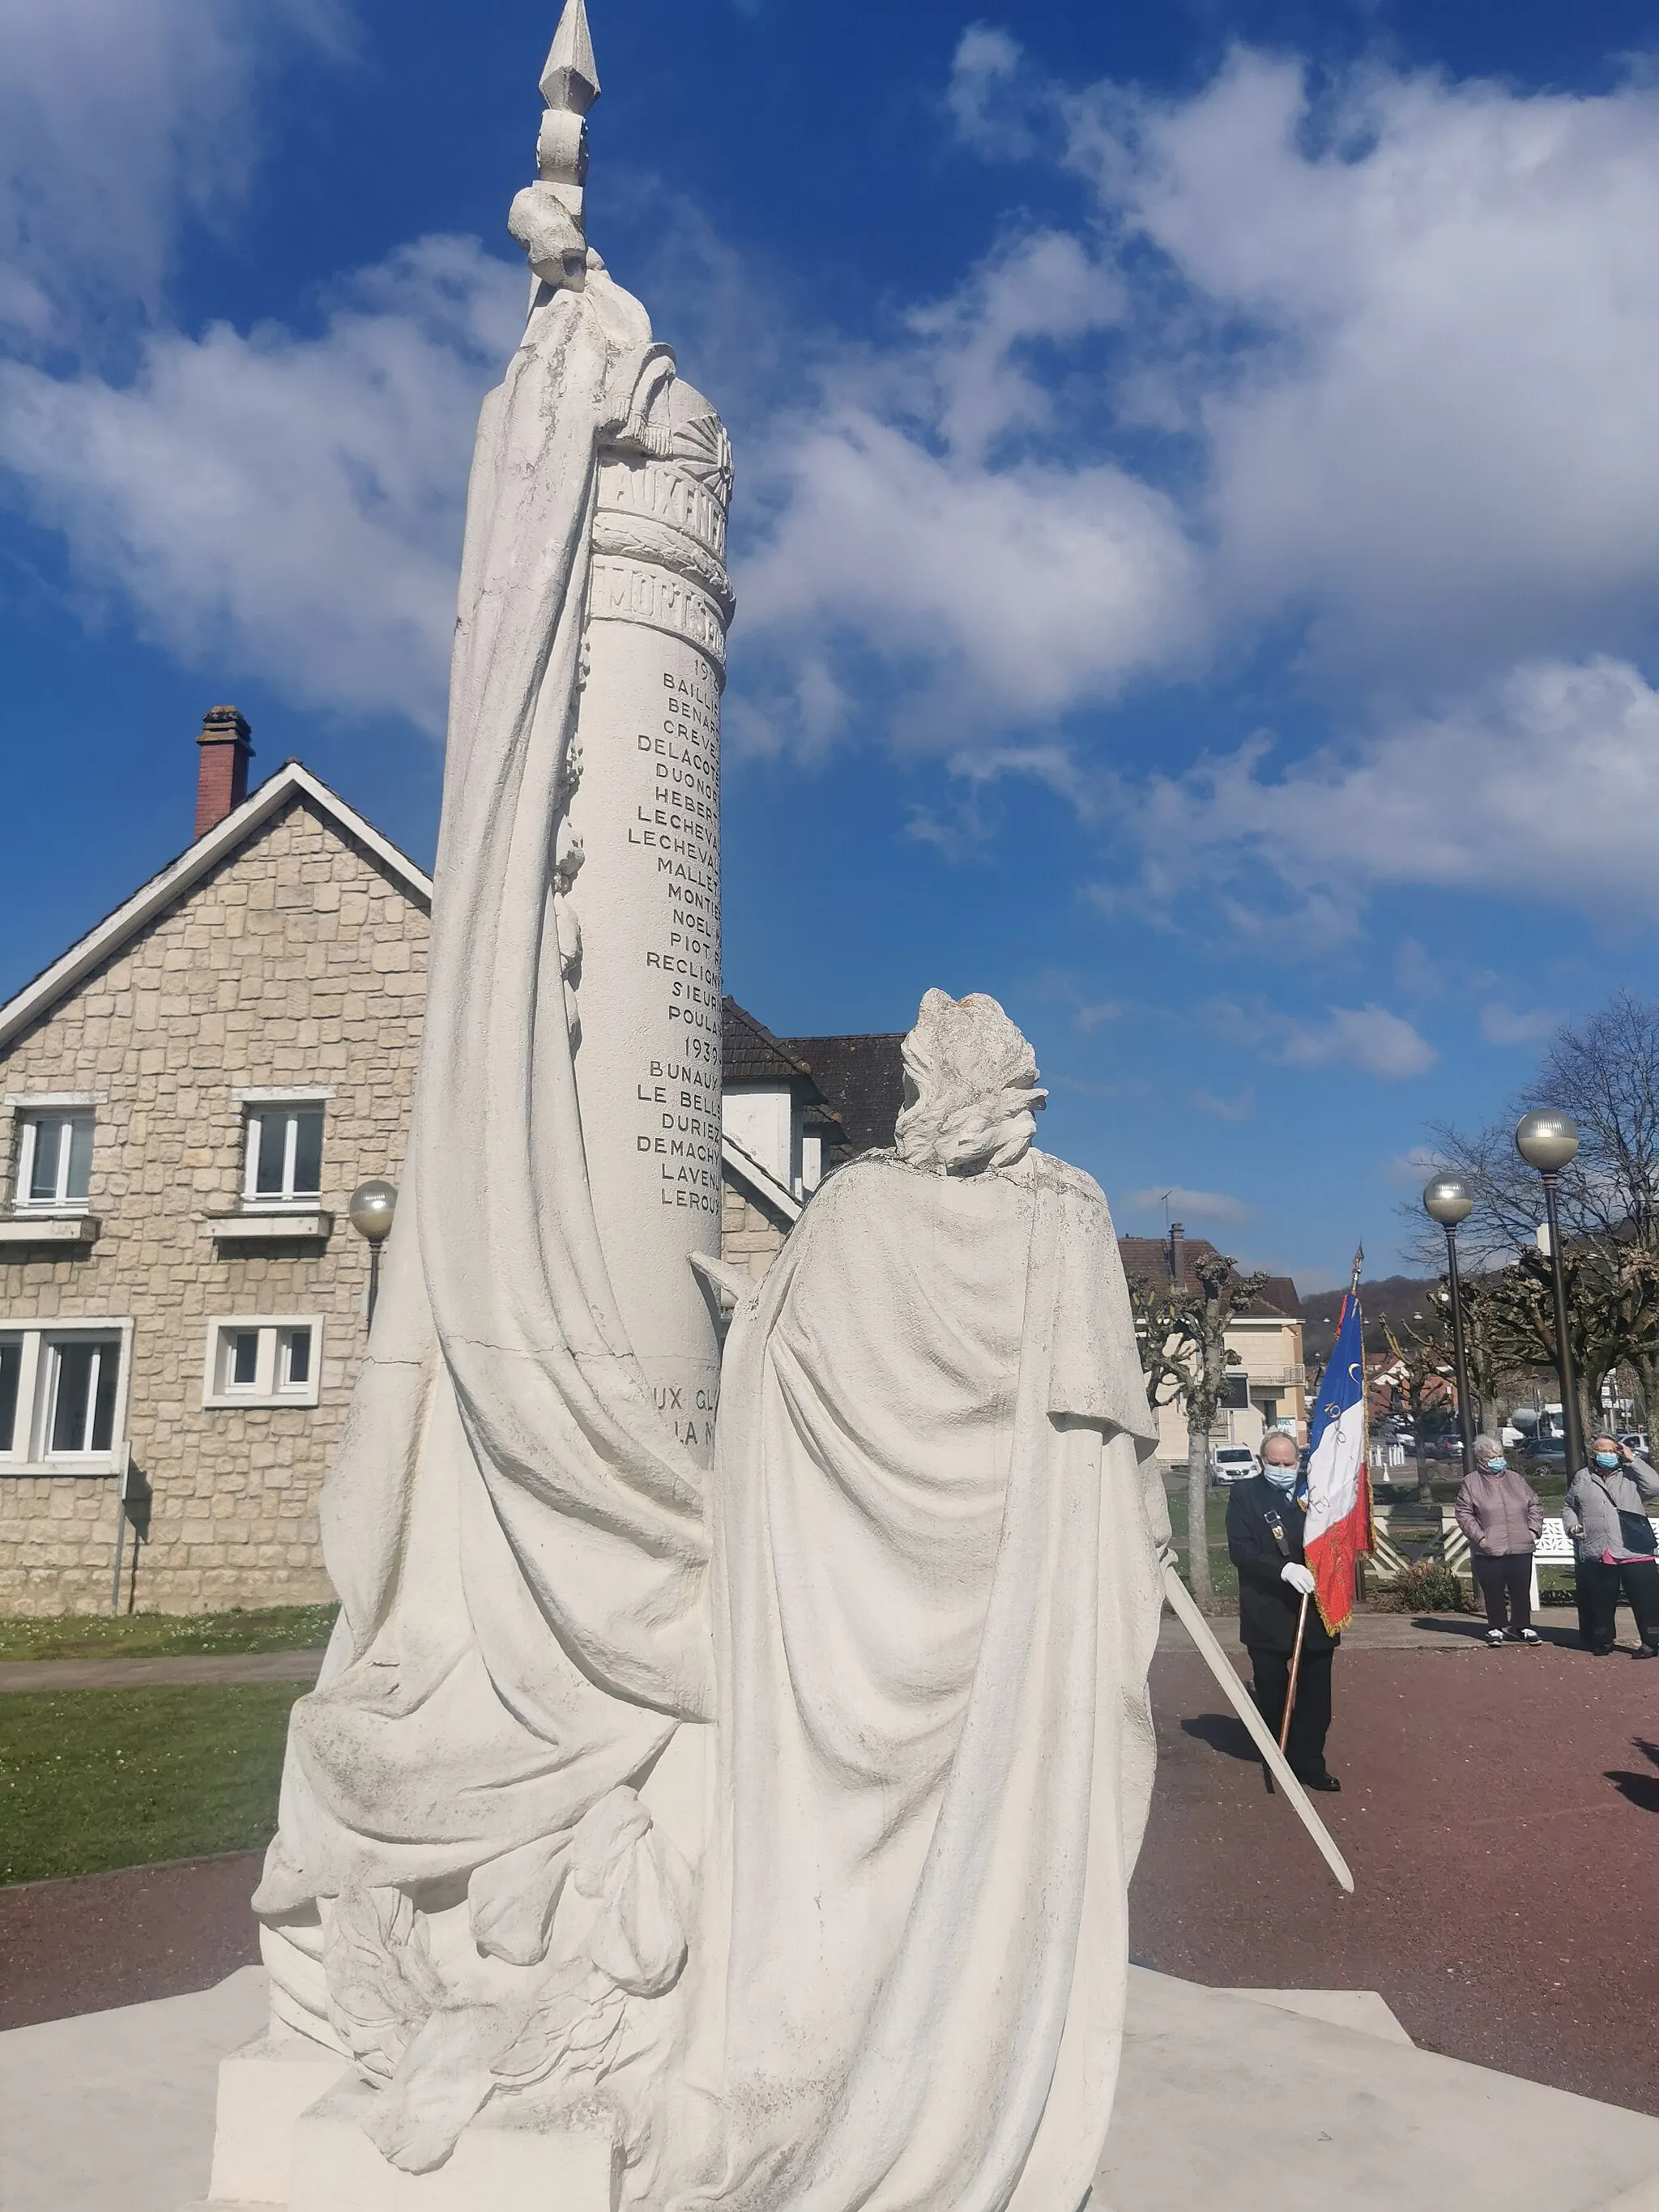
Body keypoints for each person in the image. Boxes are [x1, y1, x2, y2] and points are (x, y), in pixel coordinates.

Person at [1227, 1430, 1339, 1791]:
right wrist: (1283, 1569)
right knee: (1273, 1691)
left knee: (1316, 1696)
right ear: (1262, 1462)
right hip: (1268, 1611)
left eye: (1288, 1463)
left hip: (1316, 1610)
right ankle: (1280, 1753)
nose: (1281, 1469)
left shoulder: (1318, 1492)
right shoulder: (1244, 1495)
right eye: (1273, 1463)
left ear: (1298, 1461)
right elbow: (1241, 1551)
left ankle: (1310, 1762)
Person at [1563, 1434, 1659, 1658]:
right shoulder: (1582, 1478)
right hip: (1599, 1549)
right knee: (1601, 1601)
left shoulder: (1630, 1475)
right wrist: (1572, 1526)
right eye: (1601, 1451)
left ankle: (1652, 1642)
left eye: (1611, 1450)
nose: (1606, 1455)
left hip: (1634, 1548)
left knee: (1647, 1601)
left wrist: (1632, 1458)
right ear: (1593, 1453)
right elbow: (1569, 1506)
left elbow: (1655, 1487)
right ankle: (1603, 1640)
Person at [1454, 1436, 1544, 1647]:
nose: (1497, 1460)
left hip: (1521, 1544)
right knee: (1493, 1590)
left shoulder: (1516, 1479)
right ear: (1481, 1460)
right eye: (1491, 1457)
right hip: (1489, 1548)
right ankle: (1495, 1627)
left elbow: (1535, 1505)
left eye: (1499, 1456)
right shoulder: (1471, 1482)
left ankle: (1523, 1626)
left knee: (1521, 1589)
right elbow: (1464, 1514)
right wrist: (1481, 1538)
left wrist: (1532, 1530)